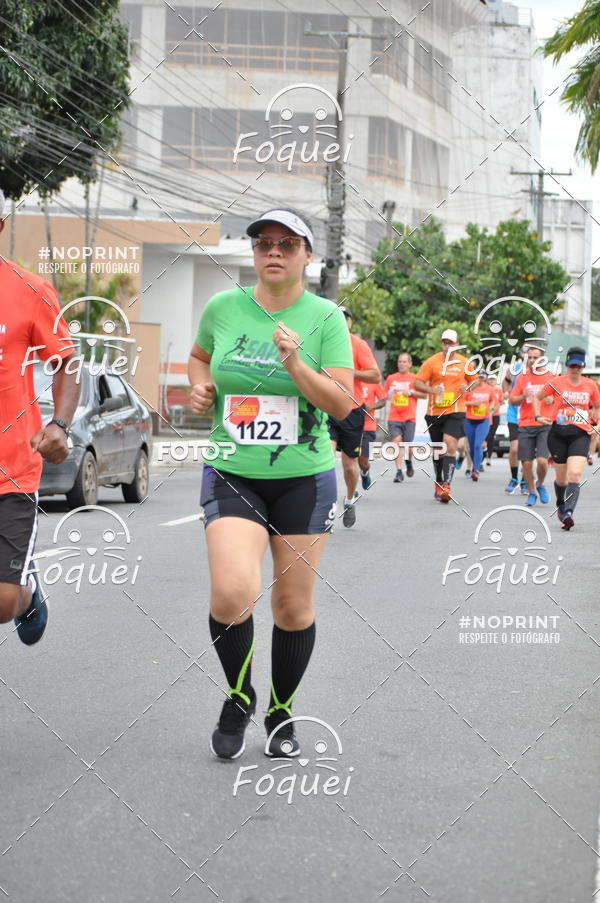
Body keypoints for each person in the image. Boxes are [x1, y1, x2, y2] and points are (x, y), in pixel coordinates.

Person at [188, 207, 354, 760]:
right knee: (232, 592)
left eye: (287, 244)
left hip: (304, 478)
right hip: (233, 471)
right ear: (254, 253)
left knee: (292, 607)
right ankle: (240, 695)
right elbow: (199, 358)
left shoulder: (325, 318)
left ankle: (282, 711)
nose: (274, 252)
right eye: (264, 243)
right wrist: (199, 387)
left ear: (308, 255)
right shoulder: (223, 307)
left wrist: (296, 363)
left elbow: (342, 403)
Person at [0, 191, 79, 646]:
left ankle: (26, 592)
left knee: (3, 601)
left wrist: (59, 425)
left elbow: (67, 362)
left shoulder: (28, 290)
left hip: (11, 470)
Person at [534, 347, 600, 530]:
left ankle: (568, 513)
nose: (575, 369)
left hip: (580, 434)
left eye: (578, 366)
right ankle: (560, 504)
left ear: (583, 366)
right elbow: (537, 397)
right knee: (561, 480)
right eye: (572, 366)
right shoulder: (556, 382)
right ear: (567, 364)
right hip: (558, 434)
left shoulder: (590, 385)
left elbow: (597, 406)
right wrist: (538, 416)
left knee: (575, 474)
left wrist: (597, 425)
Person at [328, 307, 381, 526]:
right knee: (325, 458)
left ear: (350, 322)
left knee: (350, 466)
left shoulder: (358, 344)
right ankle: (325, 506)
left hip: (352, 410)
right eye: (336, 318)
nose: (340, 321)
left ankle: (349, 499)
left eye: (345, 318)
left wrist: (349, 372)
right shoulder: (323, 341)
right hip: (327, 407)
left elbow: (375, 375)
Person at [414, 328, 477, 503]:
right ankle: (439, 481)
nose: (447, 346)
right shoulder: (431, 362)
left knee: (450, 445)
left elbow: (474, 380)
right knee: (438, 450)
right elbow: (417, 382)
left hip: (455, 410)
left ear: (457, 345)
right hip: (434, 412)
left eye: (451, 343)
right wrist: (431, 390)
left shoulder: (464, 362)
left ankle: (446, 486)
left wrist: (467, 388)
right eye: (445, 343)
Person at [509, 344, 554, 507]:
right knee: (526, 463)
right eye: (530, 357)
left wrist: (551, 400)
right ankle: (532, 492)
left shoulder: (550, 376)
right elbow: (512, 400)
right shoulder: (522, 377)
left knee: (542, 461)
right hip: (526, 423)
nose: (532, 360)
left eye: (536, 357)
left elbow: (560, 399)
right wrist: (523, 396)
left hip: (545, 423)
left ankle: (540, 484)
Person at [383, 352, 427, 482]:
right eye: (399, 362)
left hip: (409, 418)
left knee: (408, 446)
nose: (401, 364)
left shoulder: (415, 378)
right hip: (394, 417)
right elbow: (385, 395)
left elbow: (424, 395)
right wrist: (388, 396)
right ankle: (398, 472)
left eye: (404, 362)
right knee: (396, 443)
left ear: (410, 364)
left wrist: (411, 392)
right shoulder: (391, 378)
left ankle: (409, 462)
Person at [463, 371, 498, 481]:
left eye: (483, 378)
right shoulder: (470, 388)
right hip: (469, 420)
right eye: (479, 377)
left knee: (478, 445)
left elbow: (493, 401)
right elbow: (462, 402)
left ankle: (476, 470)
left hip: (483, 421)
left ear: (485, 379)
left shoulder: (489, 389)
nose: (481, 379)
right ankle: (475, 466)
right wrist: (472, 403)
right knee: (472, 447)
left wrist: (490, 409)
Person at [503, 347, 528, 494]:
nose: (526, 354)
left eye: (529, 351)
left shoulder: (539, 371)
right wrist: (506, 391)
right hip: (514, 414)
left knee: (526, 451)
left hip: (529, 415)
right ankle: (514, 478)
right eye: (524, 351)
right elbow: (505, 384)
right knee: (514, 449)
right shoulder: (514, 368)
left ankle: (525, 481)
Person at [358, 381, 386, 490]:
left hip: (368, 426)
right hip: (351, 426)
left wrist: (370, 407)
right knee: (351, 461)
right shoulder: (349, 379)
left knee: (363, 462)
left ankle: (365, 472)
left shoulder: (373, 381)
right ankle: (352, 490)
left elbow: (383, 401)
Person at [484, 375, 503, 466]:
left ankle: (489, 456)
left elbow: (500, 402)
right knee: (486, 435)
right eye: (490, 379)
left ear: (496, 381)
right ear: (487, 380)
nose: (492, 381)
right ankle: (483, 455)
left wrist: (493, 411)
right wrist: (489, 412)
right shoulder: (485, 389)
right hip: (486, 415)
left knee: (491, 436)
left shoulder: (498, 390)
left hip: (496, 415)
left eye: (493, 379)